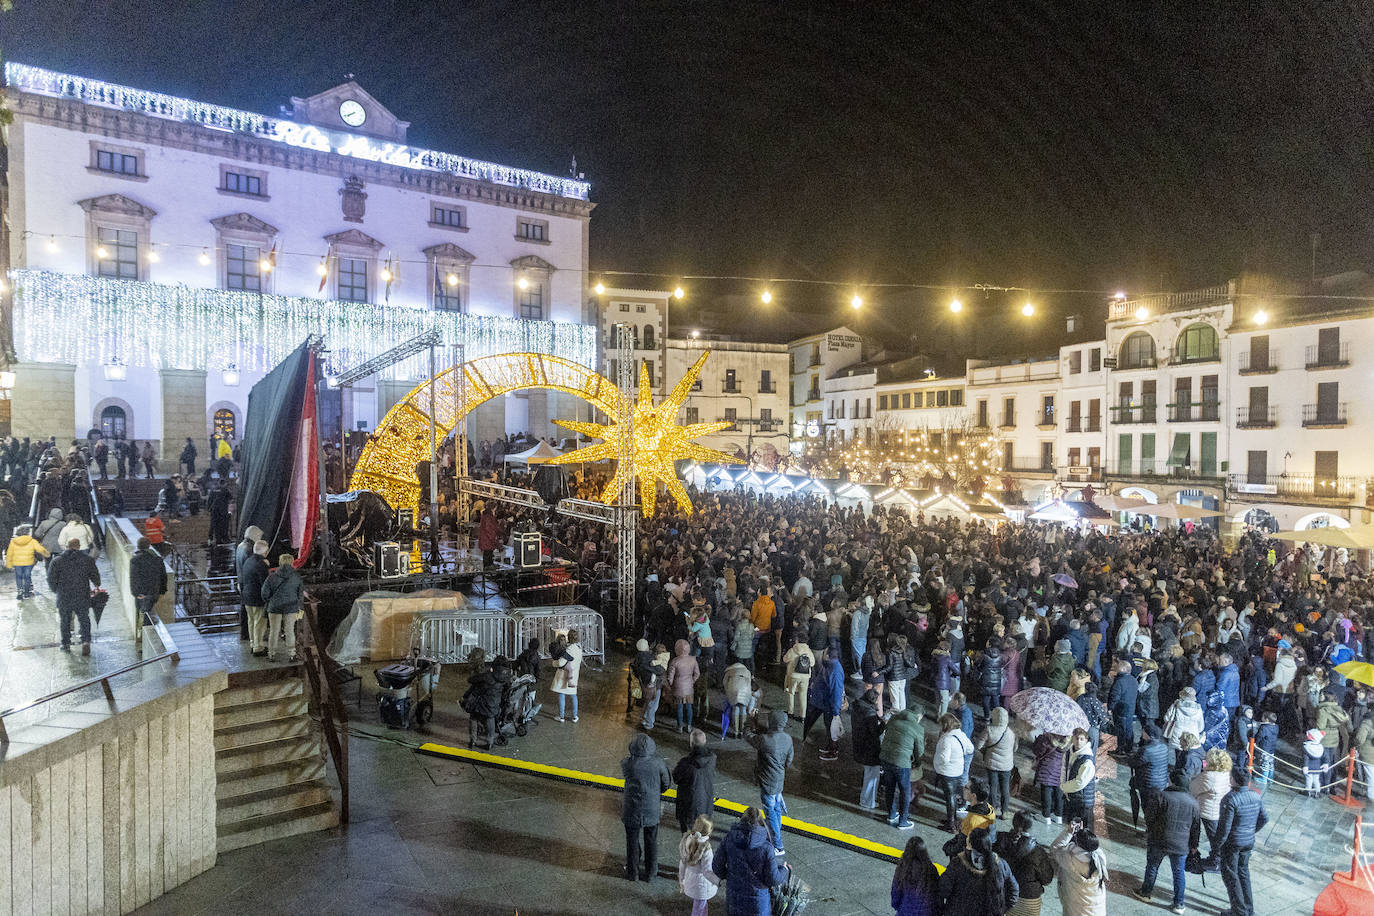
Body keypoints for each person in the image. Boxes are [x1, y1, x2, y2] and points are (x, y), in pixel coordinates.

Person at [1132, 771, 1199, 914]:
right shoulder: (1193, 803)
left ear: (1173, 782)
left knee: (1152, 866)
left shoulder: (1161, 796)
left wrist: (1151, 830)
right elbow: (1196, 827)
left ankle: (1145, 893)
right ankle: (1179, 904)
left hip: (1159, 839)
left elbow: (1150, 816)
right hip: (1181, 845)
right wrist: (1194, 845)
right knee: (1178, 872)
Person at [712, 807, 789, 915]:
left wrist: (730, 876)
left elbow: (716, 866)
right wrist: (784, 870)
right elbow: (773, 879)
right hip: (758, 902)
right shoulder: (766, 847)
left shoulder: (729, 838)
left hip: (734, 897)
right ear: (762, 823)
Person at [621, 733, 673, 882]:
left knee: (632, 841)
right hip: (652, 808)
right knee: (651, 840)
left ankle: (633, 873)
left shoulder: (627, 763)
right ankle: (651, 873)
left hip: (631, 808)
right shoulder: (659, 763)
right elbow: (666, 783)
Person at [937, 826, 1018, 916]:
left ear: (970, 845)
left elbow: (943, 890)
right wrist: (1003, 909)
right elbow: (1014, 890)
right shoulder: (1001, 864)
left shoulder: (958, 863)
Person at [744, 708, 793, 854]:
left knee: (770, 813)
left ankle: (778, 845)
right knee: (776, 809)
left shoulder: (765, 740)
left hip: (767, 781)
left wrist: (749, 720)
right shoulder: (787, 739)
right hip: (779, 779)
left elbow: (748, 736)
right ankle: (776, 835)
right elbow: (789, 761)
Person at [995, 811, 1056, 916]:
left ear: (1013, 823)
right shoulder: (1038, 852)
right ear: (1030, 827)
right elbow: (1047, 879)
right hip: (1029, 899)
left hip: (1004, 894)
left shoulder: (999, 840)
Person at [46, 538, 100, 654]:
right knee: (84, 618)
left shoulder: (57, 561)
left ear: (67, 546)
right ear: (79, 546)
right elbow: (95, 576)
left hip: (64, 596)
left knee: (65, 620)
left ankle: (66, 643)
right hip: (82, 594)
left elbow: (51, 579)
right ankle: (86, 641)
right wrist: (96, 585)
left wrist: (56, 590)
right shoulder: (87, 560)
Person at [1048, 824, 1108, 916]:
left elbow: (1054, 848)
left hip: (1076, 910)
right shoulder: (1099, 857)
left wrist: (1068, 833)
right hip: (1097, 910)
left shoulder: (1070, 858)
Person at [881, 706, 925, 829]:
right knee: (904, 790)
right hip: (901, 762)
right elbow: (919, 751)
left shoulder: (894, 718)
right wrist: (917, 762)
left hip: (885, 757)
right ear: (919, 716)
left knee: (889, 787)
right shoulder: (917, 728)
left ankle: (891, 814)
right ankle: (903, 821)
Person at [802, 647, 845, 760]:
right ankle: (830, 746)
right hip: (825, 703)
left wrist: (836, 712)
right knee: (828, 725)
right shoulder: (830, 665)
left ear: (827, 656)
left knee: (832, 727)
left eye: (824, 653)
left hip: (830, 705)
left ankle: (833, 751)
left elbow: (836, 690)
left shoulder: (835, 670)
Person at [1189, 747, 1231, 861]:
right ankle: (1217, 858)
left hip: (1207, 811)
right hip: (1219, 810)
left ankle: (1216, 860)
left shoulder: (1209, 776)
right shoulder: (1225, 773)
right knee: (1216, 836)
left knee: (1210, 836)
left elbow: (1193, 788)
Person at [935, 712, 974, 832]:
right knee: (953, 796)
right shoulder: (960, 734)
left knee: (950, 797)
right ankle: (953, 820)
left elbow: (944, 758)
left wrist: (938, 764)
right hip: (958, 771)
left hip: (947, 772)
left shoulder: (946, 739)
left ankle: (951, 824)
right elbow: (970, 749)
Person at [260, 553, 303, 662]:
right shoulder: (297, 577)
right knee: (289, 631)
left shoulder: (272, 576)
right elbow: (300, 595)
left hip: (274, 607)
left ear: (280, 562)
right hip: (291, 607)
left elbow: (264, 593)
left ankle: (271, 654)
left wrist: (270, 601)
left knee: (274, 631)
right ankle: (292, 654)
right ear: (291, 562)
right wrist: (300, 611)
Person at [674, 729, 717, 833]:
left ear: (691, 743)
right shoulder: (712, 758)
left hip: (688, 806)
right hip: (706, 804)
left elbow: (676, 777)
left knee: (687, 839)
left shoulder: (685, 763)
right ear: (705, 741)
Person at [977, 707, 1017, 818]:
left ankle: (992, 810)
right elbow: (1015, 748)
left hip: (992, 765)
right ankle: (1005, 811)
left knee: (993, 787)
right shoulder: (1011, 732)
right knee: (1005, 789)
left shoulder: (989, 730)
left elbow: (978, 745)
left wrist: (985, 751)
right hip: (1006, 765)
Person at [678, 815, 721, 915]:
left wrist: (682, 879)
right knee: (699, 908)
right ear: (709, 832)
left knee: (700, 905)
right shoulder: (706, 849)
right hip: (702, 885)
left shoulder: (686, 840)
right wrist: (717, 880)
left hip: (690, 879)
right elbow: (707, 871)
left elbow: (682, 863)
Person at [461, 649, 503, 749]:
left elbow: (472, 682)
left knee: (473, 717)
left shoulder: (483, 674)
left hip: (481, 701)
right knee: (490, 718)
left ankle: (473, 740)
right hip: (493, 702)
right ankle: (490, 742)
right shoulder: (500, 675)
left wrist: (466, 696)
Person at [890, 835, 941, 916]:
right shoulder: (931, 868)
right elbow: (938, 893)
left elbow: (896, 891)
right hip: (928, 912)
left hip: (907, 911)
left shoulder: (903, 868)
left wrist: (896, 906)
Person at [852, 688, 885, 810]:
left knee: (868, 774)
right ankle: (867, 802)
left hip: (860, 745)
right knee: (872, 777)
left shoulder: (858, 707)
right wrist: (884, 723)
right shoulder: (869, 713)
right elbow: (875, 733)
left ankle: (866, 800)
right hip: (871, 750)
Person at [238, 540, 271, 656]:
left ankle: (253, 644)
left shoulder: (248, 561)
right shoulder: (261, 564)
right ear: (265, 551)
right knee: (259, 623)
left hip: (246, 597)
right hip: (257, 598)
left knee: (251, 621)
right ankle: (258, 647)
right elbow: (265, 584)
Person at [1032, 732, 1069, 826]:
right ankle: (1058, 817)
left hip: (1047, 769)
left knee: (1046, 793)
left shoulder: (1047, 739)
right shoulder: (1068, 742)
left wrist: (1039, 740)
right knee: (1058, 794)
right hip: (1060, 771)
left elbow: (1038, 752)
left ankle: (1046, 817)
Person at [1060, 728, 1096, 825]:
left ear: (1086, 741)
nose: (1078, 741)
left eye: (1081, 739)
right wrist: (1064, 787)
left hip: (1082, 801)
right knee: (1070, 827)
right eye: (1076, 738)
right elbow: (1064, 770)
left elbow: (1079, 783)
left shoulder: (1087, 760)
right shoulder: (1068, 753)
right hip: (1071, 796)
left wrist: (1064, 787)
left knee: (1082, 831)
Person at [128, 536, 166, 622]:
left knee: (141, 616)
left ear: (138, 546)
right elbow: (163, 576)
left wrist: (135, 593)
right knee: (150, 614)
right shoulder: (157, 559)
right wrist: (160, 591)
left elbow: (133, 578)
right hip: (153, 592)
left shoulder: (135, 560)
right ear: (149, 546)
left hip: (141, 593)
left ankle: (141, 631)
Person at [5, 523, 49, 599]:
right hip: (28, 562)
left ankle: (20, 592)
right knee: (27, 577)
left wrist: (8, 564)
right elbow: (40, 549)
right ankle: (26, 593)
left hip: (17, 563)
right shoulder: (32, 541)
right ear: (28, 533)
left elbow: (9, 553)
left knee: (19, 577)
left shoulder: (13, 542)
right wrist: (47, 554)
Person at [667, 638, 702, 733]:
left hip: (678, 687)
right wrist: (692, 681)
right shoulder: (693, 660)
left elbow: (670, 677)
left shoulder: (674, 661)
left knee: (679, 707)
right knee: (689, 707)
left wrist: (671, 685)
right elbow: (697, 674)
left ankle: (680, 727)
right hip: (689, 687)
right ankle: (689, 726)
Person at [551, 629, 584, 722]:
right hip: (574, 674)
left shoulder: (568, 650)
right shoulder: (579, 648)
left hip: (563, 675)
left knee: (562, 694)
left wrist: (553, 663)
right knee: (573, 695)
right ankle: (575, 716)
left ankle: (561, 716)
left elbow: (561, 663)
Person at [781, 637, 814, 721]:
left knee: (791, 693)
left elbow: (785, 659)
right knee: (803, 695)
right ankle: (802, 716)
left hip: (793, 676)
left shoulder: (792, 650)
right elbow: (812, 663)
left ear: (797, 641)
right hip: (805, 676)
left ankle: (790, 712)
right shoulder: (809, 651)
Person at [723, 660, 752, 738]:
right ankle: (742, 731)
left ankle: (736, 732)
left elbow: (725, 683)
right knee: (743, 709)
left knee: (735, 709)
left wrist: (728, 692)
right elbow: (749, 682)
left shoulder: (729, 672)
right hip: (745, 690)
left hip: (733, 690)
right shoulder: (747, 671)